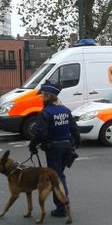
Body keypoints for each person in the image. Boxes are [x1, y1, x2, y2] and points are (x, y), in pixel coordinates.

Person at [29, 82, 80, 217]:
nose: (41, 98)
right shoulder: (65, 110)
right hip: (66, 147)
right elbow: (74, 130)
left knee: (56, 178)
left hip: (54, 149)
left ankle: (62, 207)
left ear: (47, 96)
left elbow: (40, 133)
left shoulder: (45, 113)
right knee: (60, 175)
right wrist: (74, 144)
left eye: (42, 96)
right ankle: (63, 205)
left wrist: (32, 145)